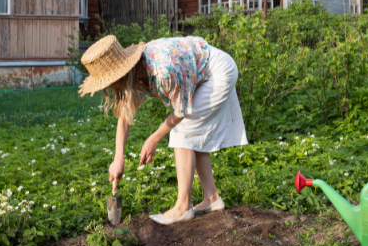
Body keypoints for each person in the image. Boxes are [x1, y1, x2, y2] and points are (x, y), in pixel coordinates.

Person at [79, 35, 248, 225]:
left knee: (183, 130)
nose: (110, 88)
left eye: (109, 83)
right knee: (193, 132)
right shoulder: (136, 72)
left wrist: (154, 139)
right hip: (201, 71)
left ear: (121, 75)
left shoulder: (163, 70)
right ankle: (212, 198)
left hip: (218, 72)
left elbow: (180, 111)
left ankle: (183, 207)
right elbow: (125, 115)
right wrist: (119, 157)